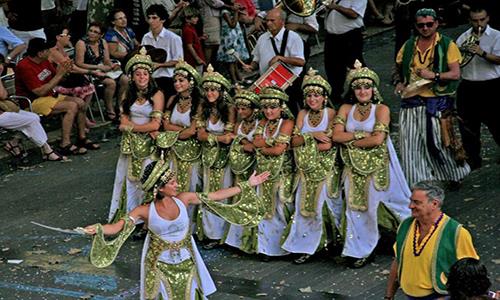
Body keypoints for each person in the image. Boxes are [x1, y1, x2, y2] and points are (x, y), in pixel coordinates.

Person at [84, 159, 269, 299]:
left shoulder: (184, 199)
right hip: (159, 266)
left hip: (187, 262)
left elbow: (215, 195)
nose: (177, 185)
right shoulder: (144, 211)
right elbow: (117, 227)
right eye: (172, 183)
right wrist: (98, 228)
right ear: (160, 188)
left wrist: (247, 185)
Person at [331, 60, 411, 268]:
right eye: (358, 87)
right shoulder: (346, 108)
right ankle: (359, 249)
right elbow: (336, 136)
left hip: (379, 167)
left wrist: (352, 139)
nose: (362, 91)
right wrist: (361, 135)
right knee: (354, 206)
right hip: (351, 168)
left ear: (373, 89)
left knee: (384, 204)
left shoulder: (381, 109)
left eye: (367, 87)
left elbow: (377, 140)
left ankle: (409, 240)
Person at [393, 8, 470, 187]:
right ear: (416, 26)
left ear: (436, 23)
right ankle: (418, 182)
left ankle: (454, 174)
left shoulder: (447, 44)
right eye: (421, 25)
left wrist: (433, 75)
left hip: (436, 101)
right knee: (409, 144)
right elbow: (397, 67)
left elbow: (455, 74)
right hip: (410, 101)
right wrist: (398, 81)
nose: (425, 28)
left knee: (440, 143)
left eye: (429, 24)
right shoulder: (409, 45)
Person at [281, 68, 342, 264]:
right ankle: (305, 246)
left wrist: (305, 140)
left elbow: (329, 145)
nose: (312, 99)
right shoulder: (302, 114)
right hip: (305, 171)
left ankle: (332, 242)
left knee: (327, 205)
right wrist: (313, 135)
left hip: (326, 170)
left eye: (316, 95)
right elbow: (293, 141)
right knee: (303, 207)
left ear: (324, 97)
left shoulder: (331, 113)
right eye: (308, 95)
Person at [384, 181, 479, 300]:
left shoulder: (457, 233)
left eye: (416, 202)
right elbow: (398, 260)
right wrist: (389, 296)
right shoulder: (405, 226)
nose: (410, 206)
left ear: (434, 204)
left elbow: (472, 274)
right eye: (411, 201)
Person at [107, 47, 164, 223]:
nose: (142, 78)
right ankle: (131, 218)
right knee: (127, 181)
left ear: (150, 76)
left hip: (149, 145)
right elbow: (122, 122)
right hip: (130, 146)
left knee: (147, 180)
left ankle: (147, 219)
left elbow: (156, 124)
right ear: (132, 76)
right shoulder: (127, 93)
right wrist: (139, 127)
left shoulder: (157, 94)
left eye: (145, 74)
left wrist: (132, 127)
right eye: (138, 74)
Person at [15, 38, 96, 156]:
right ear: (40, 53)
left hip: (50, 95)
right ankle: (65, 144)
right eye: (47, 50)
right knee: (71, 106)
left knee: (80, 103)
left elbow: (57, 78)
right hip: (33, 101)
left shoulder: (45, 61)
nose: (50, 52)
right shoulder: (24, 66)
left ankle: (81, 137)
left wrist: (65, 70)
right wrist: (60, 74)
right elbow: (39, 91)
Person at [252, 86, 295, 259]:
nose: (269, 111)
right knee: (264, 210)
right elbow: (257, 143)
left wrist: (263, 147)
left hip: (282, 174)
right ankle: (266, 249)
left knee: (281, 208)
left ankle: (283, 247)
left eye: (273, 107)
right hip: (263, 174)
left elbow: (279, 150)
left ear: (281, 108)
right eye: (266, 107)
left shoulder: (287, 123)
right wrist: (271, 145)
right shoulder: (262, 123)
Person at [456, 5, 500, 171]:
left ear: (488, 18)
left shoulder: (496, 36)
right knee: (468, 128)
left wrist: (482, 52)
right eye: (475, 21)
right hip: (468, 87)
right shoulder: (463, 38)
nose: (479, 24)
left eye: (482, 19)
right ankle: (473, 161)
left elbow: (499, 59)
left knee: (496, 125)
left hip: (492, 87)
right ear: (469, 20)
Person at [195, 64, 235, 248]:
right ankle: (210, 233)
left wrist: (213, 138)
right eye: (207, 89)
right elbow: (200, 135)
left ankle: (223, 234)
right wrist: (218, 138)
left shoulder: (229, 108)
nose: (210, 93)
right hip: (207, 157)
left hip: (224, 159)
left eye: (214, 90)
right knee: (208, 191)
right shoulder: (203, 107)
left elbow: (229, 138)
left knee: (223, 192)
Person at [0, 56, 66, 162]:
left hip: (6, 111)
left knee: (33, 117)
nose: (0, 67)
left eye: (1, 64)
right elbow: (3, 95)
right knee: (32, 120)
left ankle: (14, 143)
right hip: (2, 115)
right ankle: (47, 150)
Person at [243, 7, 304, 115]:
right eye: (267, 20)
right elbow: (256, 60)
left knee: (293, 112)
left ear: (282, 21)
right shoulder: (262, 38)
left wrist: (281, 58)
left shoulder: (293, 37)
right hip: (269, 83)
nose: (268, 23)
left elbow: (301, 62)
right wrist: (251, 66)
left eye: (272, 20)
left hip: (289, 82)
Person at [224, 88, 261, 253]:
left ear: (253, 109)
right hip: (239, 169)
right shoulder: (239, 124)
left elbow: (258, 145)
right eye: (238, 108)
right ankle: (237, 240)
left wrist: (246, 144)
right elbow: (232, 140)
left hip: (254, 169)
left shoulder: (261, 124)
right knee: (238, 200)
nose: (240, 111)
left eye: (244, 108)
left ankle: (252, 240)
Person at [75, 22, 129, 122]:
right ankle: (109, 110)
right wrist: (97, 67)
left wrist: (111, 65)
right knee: (111, 83)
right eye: (90, 31)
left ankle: (119, 106)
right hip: (87, 71)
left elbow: (106, 60)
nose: (91, 33)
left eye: (95, 32)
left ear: (101, 35)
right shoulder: (81, 43)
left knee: (125, 79)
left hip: (101, 67)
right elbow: (79, 63)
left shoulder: (102, 42)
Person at [323, 0, 367, 106]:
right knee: (332, 67)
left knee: (356, 66)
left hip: (350, 35)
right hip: (331, 36)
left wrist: (334, 6)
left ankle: (362, 94)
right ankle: (335, 96)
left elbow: (354, 14)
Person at [141, 4, 184, 100]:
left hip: (168, 77)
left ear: (162, 20)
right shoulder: (146, 37)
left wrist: (160, 65)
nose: (150, 21)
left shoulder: (173, 38)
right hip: (150, 77)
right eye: (149, 18)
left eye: (154, 18)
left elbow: (179, 61)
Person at [216, 0, 250, 83]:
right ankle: (234, 81)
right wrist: (235, 12)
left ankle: (239, 78)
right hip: (229, 39)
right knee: (231, 60)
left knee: (235, 59)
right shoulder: (224, 12)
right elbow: (232, 25)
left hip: (235, 37)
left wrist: (239, 11)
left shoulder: (231, 10)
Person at [181, 7, 206, 74]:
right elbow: (189, 46)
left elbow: (192, 40)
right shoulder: (187, 30)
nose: (197, 19)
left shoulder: (191, 28)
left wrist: (199, 38)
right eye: (194, 17)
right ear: (187, 19)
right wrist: (197, 59)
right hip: (193, 60)